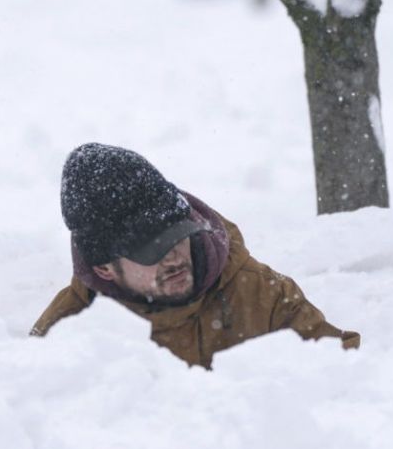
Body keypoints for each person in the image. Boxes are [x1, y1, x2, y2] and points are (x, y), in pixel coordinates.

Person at [31, 143, 360, 368]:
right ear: (105, 269)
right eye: (151, 251)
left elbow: (350, 376)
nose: (174, 257)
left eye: (178, 236)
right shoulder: (66, 333)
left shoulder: (261, 295)